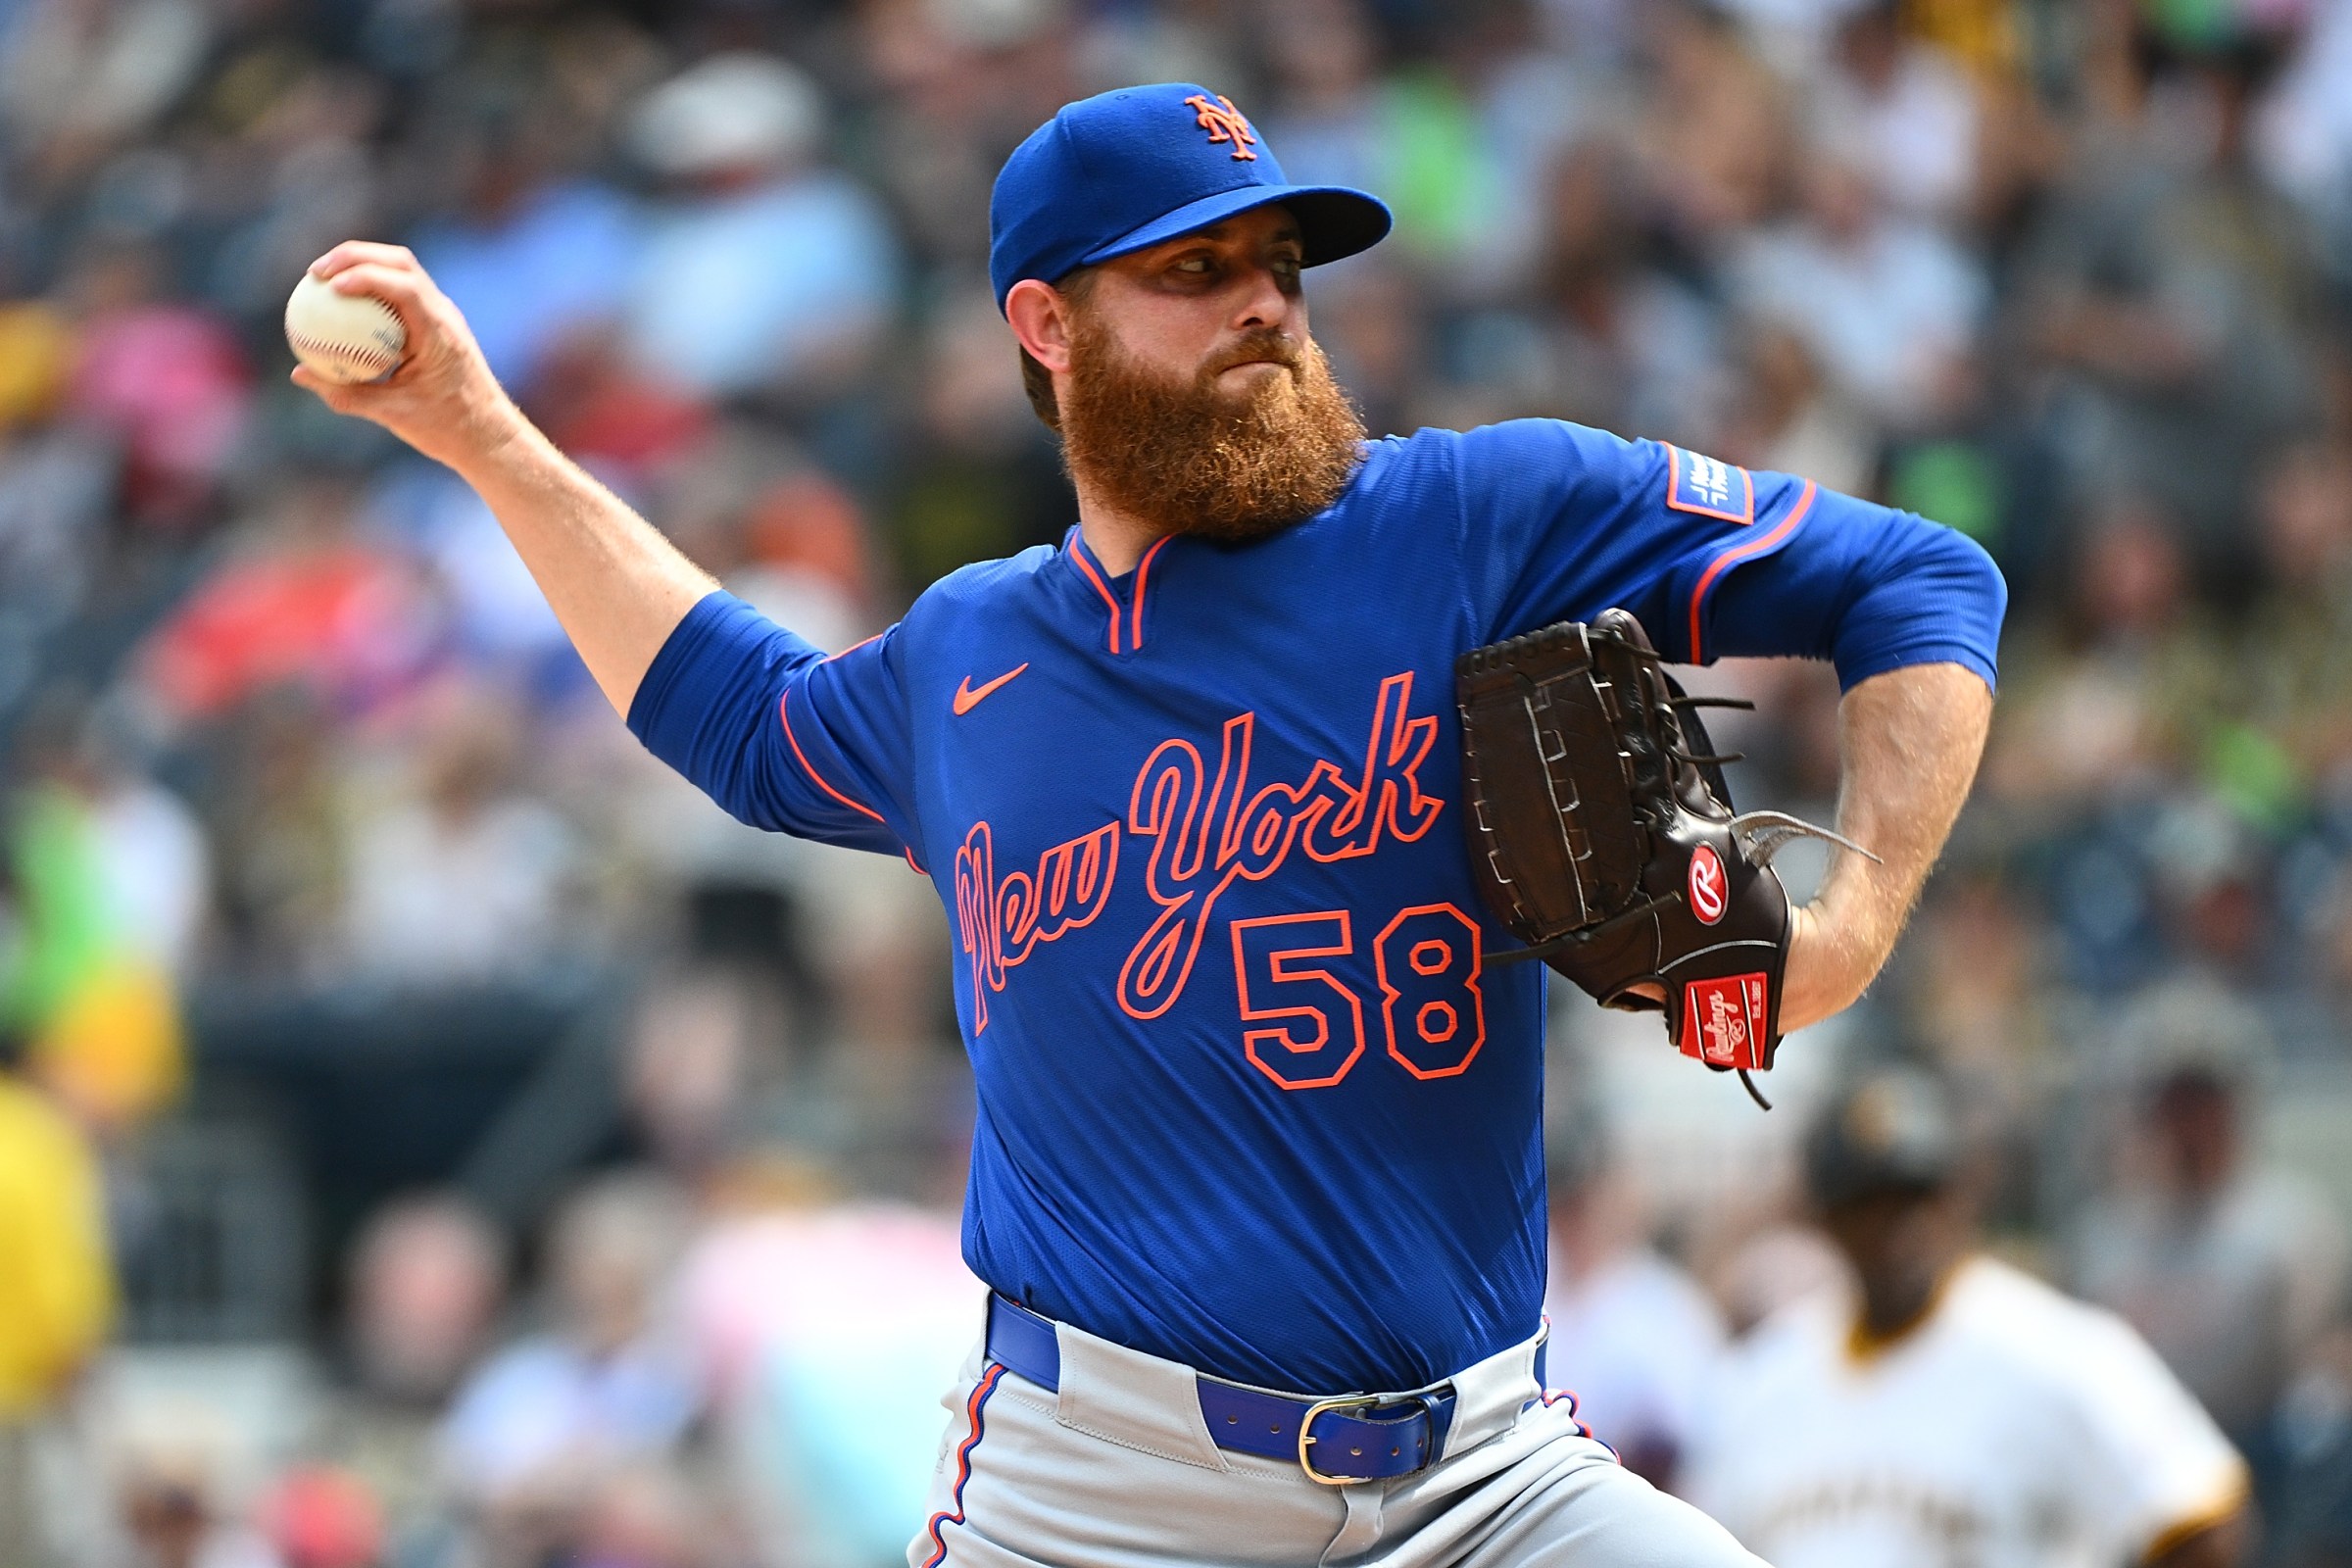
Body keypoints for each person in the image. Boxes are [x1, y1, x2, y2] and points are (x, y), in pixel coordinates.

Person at [293, 81, 2000, 1568]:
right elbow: (739, 717)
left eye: (1280, 267)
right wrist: (477, 431)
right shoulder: (972, 652)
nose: (1263, 305)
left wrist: (1841, 926)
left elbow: (1920, 576)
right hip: (1094, 1502)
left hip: (1479, 1482)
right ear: (1048, 327)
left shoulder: (1477, 519)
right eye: (1195, 272)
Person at [1681, 1064, 2251, 1568]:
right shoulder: (1760, 1379)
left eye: (1914, 1199)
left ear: (1961, 1197)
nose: (1894, 1231)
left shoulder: (2057, 1348)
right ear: (1824, 1219)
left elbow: (2200, 1517)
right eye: (1866, 1206)